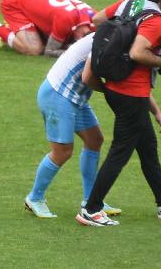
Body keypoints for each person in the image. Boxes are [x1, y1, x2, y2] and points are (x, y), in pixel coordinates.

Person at [75, 0, 161, 227]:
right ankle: (91, 208)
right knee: (120, 153)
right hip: (131, 94)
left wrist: (117, 42)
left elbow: (98, 20)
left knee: (147, 148)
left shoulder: (129, 3)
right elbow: (137, 53)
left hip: (119, 89)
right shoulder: (154, 20)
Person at [24, 32, 121, 219]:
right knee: (62, 151)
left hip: (74, 97)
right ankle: (34, 198)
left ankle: (91, 200)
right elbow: (88, 78)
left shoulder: (114, 32)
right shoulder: (110, 38)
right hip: (58, 96)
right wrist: (111, 92)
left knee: (94, 139)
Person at [0, 0, 95, 57]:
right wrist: (76, 52)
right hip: (14, 3)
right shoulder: (66, 19)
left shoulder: (95, 18)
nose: (78, 41)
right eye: (80, 40)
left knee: (62, 39)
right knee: (34, 49)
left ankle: (14, 31)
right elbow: (50, 51)